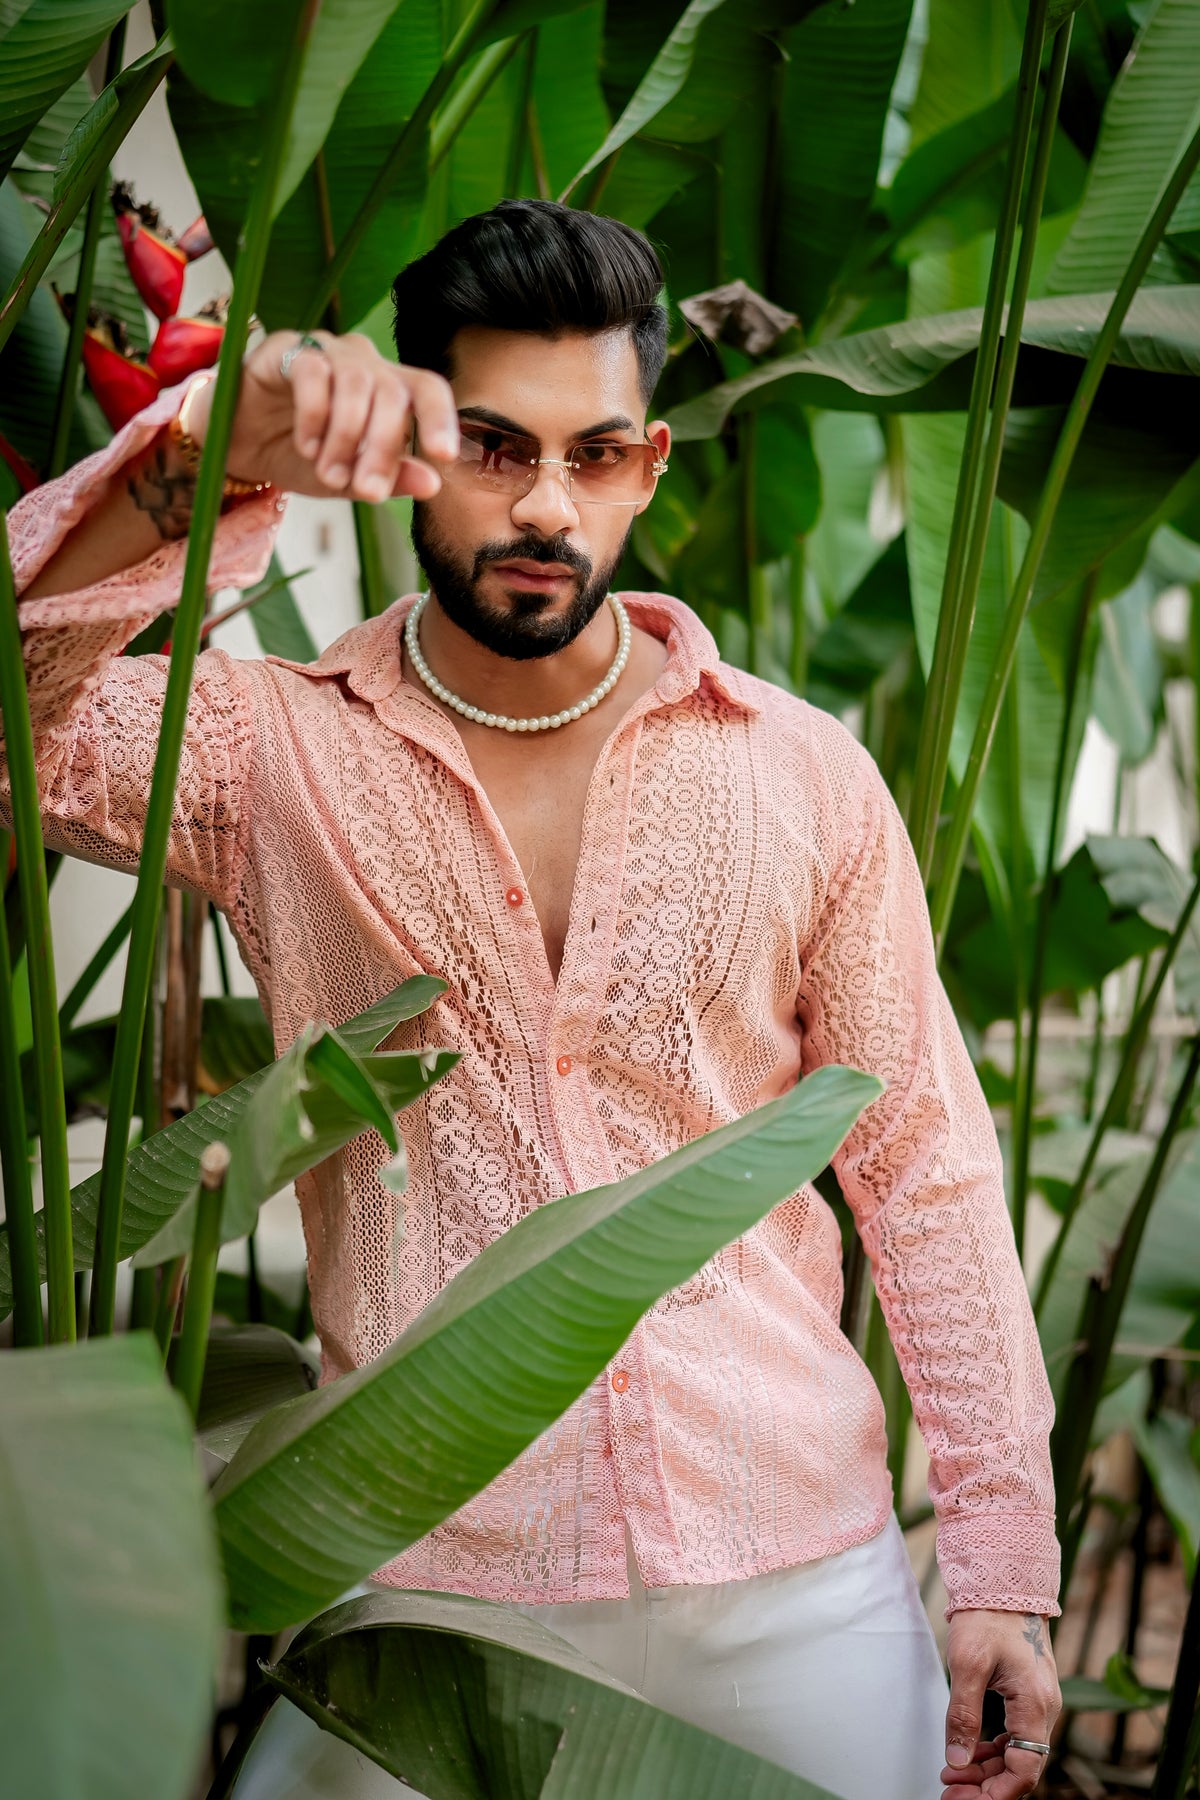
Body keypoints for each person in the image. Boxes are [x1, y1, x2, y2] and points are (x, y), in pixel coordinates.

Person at [9, 200, 1061, 1799]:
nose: (546, 508)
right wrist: (211, 460)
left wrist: (1000, 1561)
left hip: (795, 1586)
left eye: (594, 457)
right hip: (424, 1588)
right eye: (494, 448)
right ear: (415, 452)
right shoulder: (259, 753)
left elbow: (922, 1164)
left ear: (647, 465)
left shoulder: (800, 773)